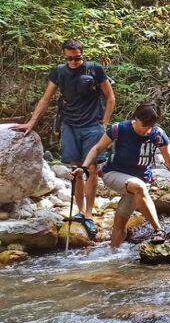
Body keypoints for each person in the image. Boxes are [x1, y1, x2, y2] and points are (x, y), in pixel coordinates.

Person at [13, 38, 115, 237]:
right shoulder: (59, 72)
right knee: (75, 169)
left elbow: (110, 97)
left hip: (92, 125)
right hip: (69, 126)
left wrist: (104, 123)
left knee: (92, 169)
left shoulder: (95, 69)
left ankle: (89, 215)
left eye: (78, 58)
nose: (74, 62)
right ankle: (79, 211)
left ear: (82, 54)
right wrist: (30, 123)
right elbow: (45, 99)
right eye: (70, 58)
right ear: (64, 55)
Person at [74, 103, 170, 247]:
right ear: (135, 118)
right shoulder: (120, 129)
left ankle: (112, 256)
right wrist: (83, 168)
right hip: (114, 174)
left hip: (138, 183)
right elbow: (97, 148)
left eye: (149, 127)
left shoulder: (158, 134)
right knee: (139, 186)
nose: (146, 130)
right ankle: (158, 230)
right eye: (143, 126)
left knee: (120, 222)